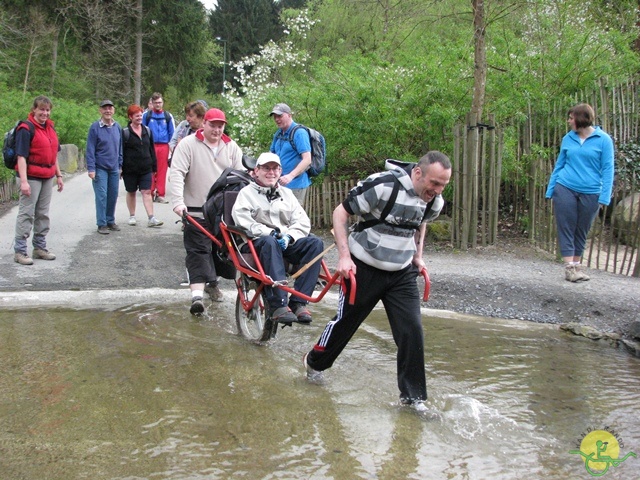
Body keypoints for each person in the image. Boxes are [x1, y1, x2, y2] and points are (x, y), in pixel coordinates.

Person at [302, 151, 452, 413]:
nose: (438, 191)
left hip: (401, 271)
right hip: (363, 266)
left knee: (411, 331)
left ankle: (413, 398)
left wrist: (418, 256)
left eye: (443, 186)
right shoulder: (381, 186)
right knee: (345, 324)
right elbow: (340, 213)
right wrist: (345, 257)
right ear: (418, 173)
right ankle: (314, 362)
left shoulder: (433, 200)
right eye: (434, 184)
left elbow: (420, 223)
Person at [232, 152, 324, 324]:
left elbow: (302, 221)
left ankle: (299, 302)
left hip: (284, 242)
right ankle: (278, 304)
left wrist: (290, 236)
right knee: (270, 242)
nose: (271, 172)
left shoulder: (287, 194)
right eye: (266, 168)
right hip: (256, 242)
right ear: (256, 171)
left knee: (315, 243)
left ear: (280, 171)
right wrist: (269, 233)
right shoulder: (246, 194)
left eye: (275, 168)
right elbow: (243, 221)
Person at [169, 108, 244, 315]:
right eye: (213, 125)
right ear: (204, 124)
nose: (217, 130)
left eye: (221, 126)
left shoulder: (231, 147)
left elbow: (242, 177)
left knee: (223, 253)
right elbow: (177, 173)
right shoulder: (187, 145)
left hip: (222, 212)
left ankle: (213, 283)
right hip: (195, 211)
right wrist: (177, 202)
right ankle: (197, 298)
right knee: (198, 251)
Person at [545, 103, 614, 283]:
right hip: (565, 187)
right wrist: (551, 189)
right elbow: (560, 165)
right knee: (566, 226)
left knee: (582, 230)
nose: (569, 121)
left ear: (581, 119)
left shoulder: (603, 140)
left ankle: (576, 266)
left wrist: (605, 196)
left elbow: (608, 169)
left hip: (591, 192)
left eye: (571, 118)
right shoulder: (568, 138)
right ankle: (570, 268)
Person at [12, 96, 64, 265]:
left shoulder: (50, 128)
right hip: (31, 177)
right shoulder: (26, 129)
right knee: (26, 213)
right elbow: (21, 156)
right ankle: (20, 251)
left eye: (47, 110)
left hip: (47, 176)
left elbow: (54, 154)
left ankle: (39, 248)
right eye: (41, 109)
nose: (45, 113)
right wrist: (24, 182)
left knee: (42, 213)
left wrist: (59, 176)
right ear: (34, 109)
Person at [121, 104, 163, 228]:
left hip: (146, 168)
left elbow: (151, 149)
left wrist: (154, 167)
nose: (139, 118)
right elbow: (121, 151)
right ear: (130, 117)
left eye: (140, 115)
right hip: (130, 169)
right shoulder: (125, 133)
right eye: (136, 116)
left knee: (146, 192)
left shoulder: (147, 131)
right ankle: (132, 216)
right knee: (131, 192)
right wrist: (121, 168)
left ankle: (151, 217)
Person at [86, 99, 122, 234]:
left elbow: (120, 148)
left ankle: (110, 220)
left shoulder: (117, 127)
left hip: (114, 168)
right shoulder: (95, 127)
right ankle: (101, 224)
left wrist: (120, 165)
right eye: (105, 108)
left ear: (113, 110)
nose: (108, 111)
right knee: (102, 195)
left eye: (110, 108)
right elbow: (90, 149)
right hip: (100, 167)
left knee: (113, 195)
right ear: (100, 110)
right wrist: (91, 168)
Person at [269, 103, 312, 206]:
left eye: (280, 116)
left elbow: (307, 159)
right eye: (275, 117)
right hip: (280, 184)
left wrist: (290, 176)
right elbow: (271, 155)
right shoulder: (279, 134)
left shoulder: (299, 133)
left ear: (289, 115)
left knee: (294, 217)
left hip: (296, 184)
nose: (277, 119)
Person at [143, 92, 175, 204]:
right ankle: (150, 193)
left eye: (160, 102)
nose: (158, 105)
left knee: (162, 170)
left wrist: (172, 148)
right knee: (150, 169)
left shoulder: (167, 116)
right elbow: (142, 131)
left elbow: (172, 133)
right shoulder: (146, 115)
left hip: (163, 146)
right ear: (152, 103)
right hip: (150, 146)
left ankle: (160, 194)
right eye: (156, 102)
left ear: (163, 103)